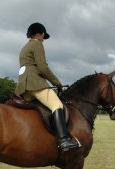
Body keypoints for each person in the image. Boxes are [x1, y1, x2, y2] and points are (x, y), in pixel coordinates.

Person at [15, 22, 80, 152]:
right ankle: (64, 140)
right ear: (40, 34)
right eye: (43, 36)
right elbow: (43, 67)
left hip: (23, 87)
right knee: (57, 105)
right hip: (35, 84)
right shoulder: (37, 44)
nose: (43, 39)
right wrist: (57, 83)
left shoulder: (24, 48)